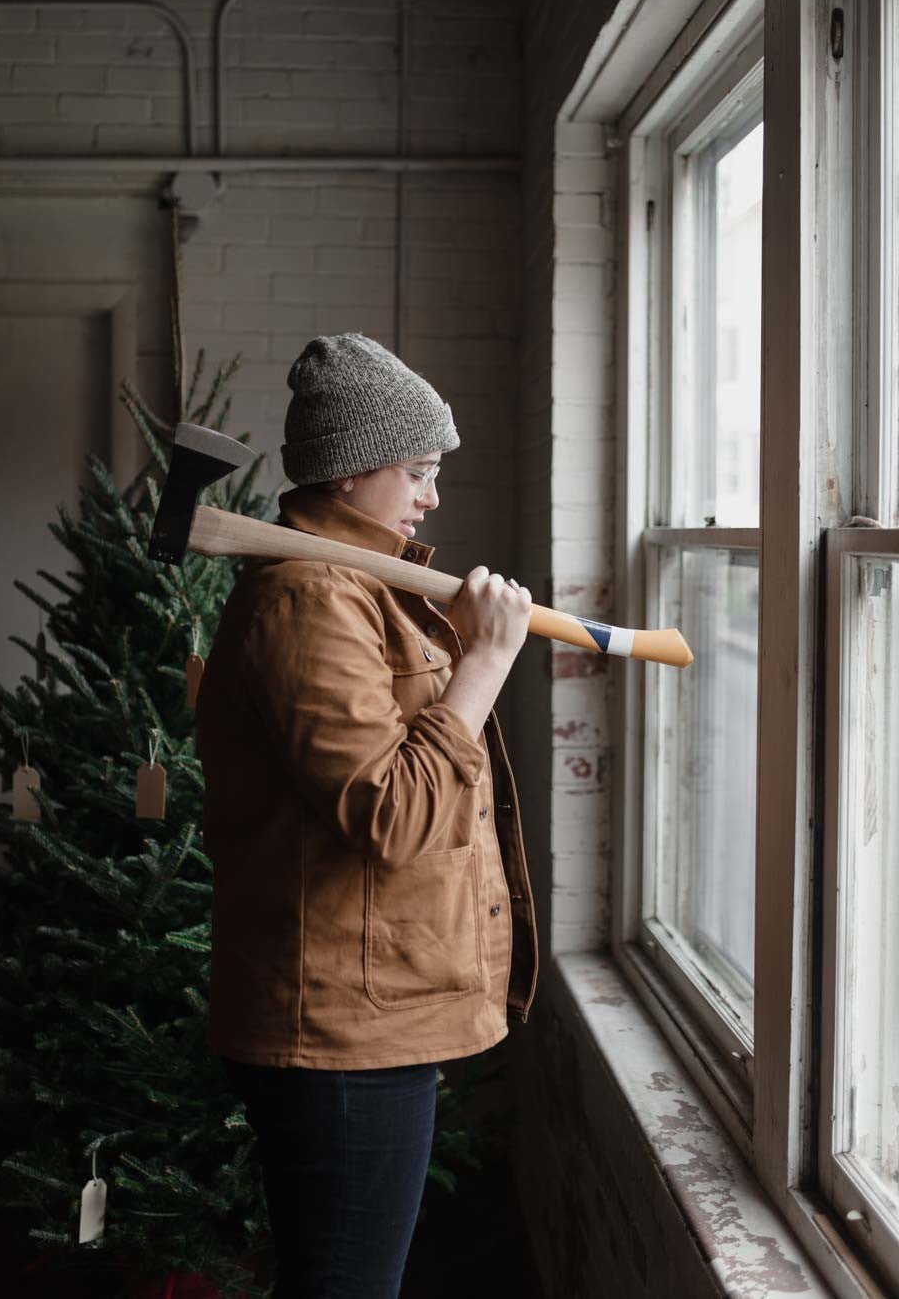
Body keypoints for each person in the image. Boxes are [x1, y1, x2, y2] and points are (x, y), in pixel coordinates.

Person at [195, 333, 538, 1299]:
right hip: (341, 1027)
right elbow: (391, 813)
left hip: (370, 1010)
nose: (432, 497)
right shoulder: (309, 601)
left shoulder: (360, 588)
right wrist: (484, 664)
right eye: (418, 471)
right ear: (350, 472)